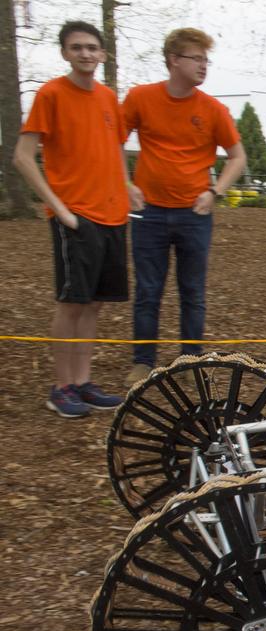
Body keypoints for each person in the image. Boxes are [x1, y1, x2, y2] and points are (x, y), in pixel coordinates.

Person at [13, 20, 130, 417]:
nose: (85, 53)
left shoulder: (108, 98)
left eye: (92, 47)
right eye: (77, 47)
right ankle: (60, 387)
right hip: (76, 217)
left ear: (102, 54)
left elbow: (113, 150)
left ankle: (83, 382)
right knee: (71, 303)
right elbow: (23, 158)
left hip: (113, 217)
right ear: (65, 52)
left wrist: (127, 188)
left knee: (95, 304)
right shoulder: (51, 95)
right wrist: (60, 209)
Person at [124, 27, 246, 385]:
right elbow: (111, 140)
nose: (203, 66)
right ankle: (143, 361)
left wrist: (215, 191)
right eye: (196, 58)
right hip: (149, 213)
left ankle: (190, 359)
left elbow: (237, 157)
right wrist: (125, 183)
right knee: (148, 290)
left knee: (192, 291)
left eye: (206, 60)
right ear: (173, 60)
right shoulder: (139, 98)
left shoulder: (213, 109)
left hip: (195, 215)